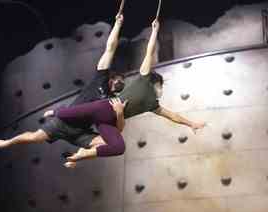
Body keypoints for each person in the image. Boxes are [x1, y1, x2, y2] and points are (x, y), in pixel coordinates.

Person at [49, 19, 206, 168]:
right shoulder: (144, 78)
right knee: (68, 114)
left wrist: (191, 124)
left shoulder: (153, 105)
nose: (161, 91)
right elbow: (149, 52)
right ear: (156, 83)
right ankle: (57, 112)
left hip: (108, 122)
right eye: (161, 86)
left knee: (118, 147)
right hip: (105, 108)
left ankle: (82, 154)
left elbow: (173, 116)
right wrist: (154, 31)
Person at [0, 13, 127, 161]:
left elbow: (117, 131)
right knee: (34, 137)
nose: (121, 83)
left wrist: (119, 113)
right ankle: (6, 143)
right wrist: (118, 25)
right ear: (112, 79)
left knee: (108, 143)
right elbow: (110, 49)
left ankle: (77, 158)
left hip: (81, 132)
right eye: (119, 79)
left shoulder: (114, 102)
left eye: (123, 82)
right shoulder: (100, 79)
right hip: (63, 123)